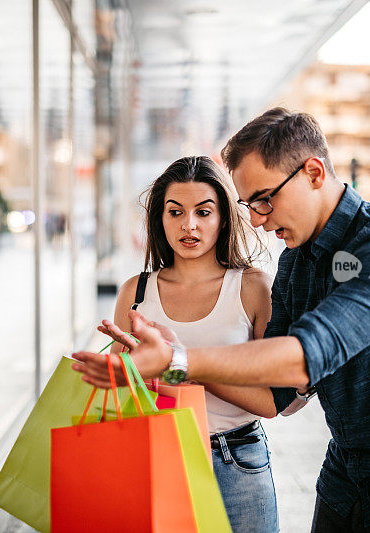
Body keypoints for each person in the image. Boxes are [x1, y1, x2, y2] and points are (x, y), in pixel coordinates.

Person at [74, 108, 370, 532]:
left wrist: (178, 358)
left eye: (264, 199)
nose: (258, 221)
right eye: (249, 205)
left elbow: (307, 357)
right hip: (347, 481)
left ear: (314, 172)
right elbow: (276, 394)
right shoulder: (297, 265)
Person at [108, 156, 309, 532]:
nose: (189, 225)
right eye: (175, 212)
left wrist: (177, 362)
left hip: (236, 462)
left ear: (223, 217)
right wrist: (122, 372)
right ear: (159, 218)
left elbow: (274, 403)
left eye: (204, 211)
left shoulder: (252, 288)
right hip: (154, 457)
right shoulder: (135, 293)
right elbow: (119, 396)